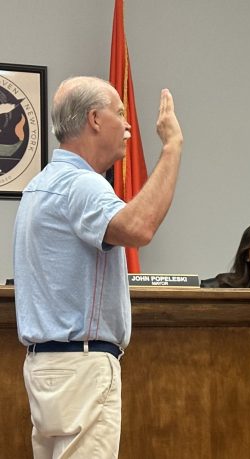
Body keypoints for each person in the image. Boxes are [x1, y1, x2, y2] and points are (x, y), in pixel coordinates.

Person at [13, 76, 183, 457]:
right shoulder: (81, 185)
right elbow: (139, 228)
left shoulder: (40, 185)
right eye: (119, 114)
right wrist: (172, 147)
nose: (127, 126)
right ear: (93, 119)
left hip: (49, 367)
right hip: (82, 369)